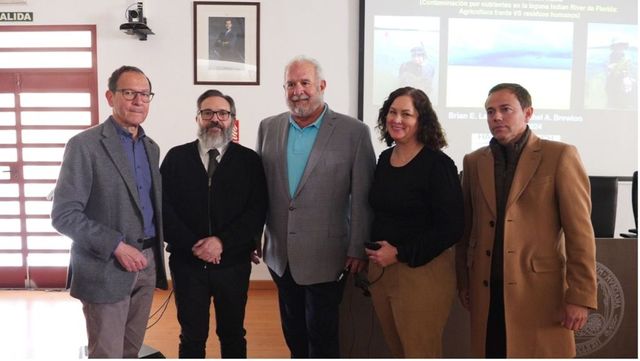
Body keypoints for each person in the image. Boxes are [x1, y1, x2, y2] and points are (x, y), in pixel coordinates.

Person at [455, 83, 597, 357]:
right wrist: (464, 281)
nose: (496, 117)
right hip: (486, 291)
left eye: (505, 110)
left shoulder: (560, 155)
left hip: (540, 293)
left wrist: (581, 296)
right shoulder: (474, 161)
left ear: (528, 113)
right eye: (490, 112)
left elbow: (580, 234)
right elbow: (466, 229)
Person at [256, 55, 376, 358]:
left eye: (305, 83)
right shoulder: (268, 127)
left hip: (329, 255)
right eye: (291, 84)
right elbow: (259, 190)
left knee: (322, 335)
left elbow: (363, 194)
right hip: (280, 254)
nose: (298, 90)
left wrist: (358, 247)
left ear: (321, 85)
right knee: (293, 331)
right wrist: (252, 236)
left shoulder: (354, 132)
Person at [51, 65, 168, 358]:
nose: (138, 101)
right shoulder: (84, 145)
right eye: (129, 93)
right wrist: (116, 245)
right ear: (110, 96)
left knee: (131, 351)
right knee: (107, 354)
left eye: (145, 94)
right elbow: (64, 214)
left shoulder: (150, 147)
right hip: (105, 267)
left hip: (147, 263)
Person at [161, 89, 267, 358]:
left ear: (232, 119)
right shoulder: (176, 158)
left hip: (232, 264)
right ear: (197, 118)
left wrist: (221, 242)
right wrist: (195, 246)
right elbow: (162, 208)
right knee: (192, 336)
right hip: (187, 264)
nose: (215, 119)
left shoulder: (249, 161)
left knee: (232, 334)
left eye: (222, 113)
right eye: (207, 113)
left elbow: (256, 210)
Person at [366, 87, 463, 357]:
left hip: (422, 274)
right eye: (392, 112)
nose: (397, 119)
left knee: (420, 352)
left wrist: (399, 253)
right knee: (398, 350)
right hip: (382, 272)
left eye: (406, 114)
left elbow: (452, 227)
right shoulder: (385, 159)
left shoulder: (438, 165)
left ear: (421, 120)